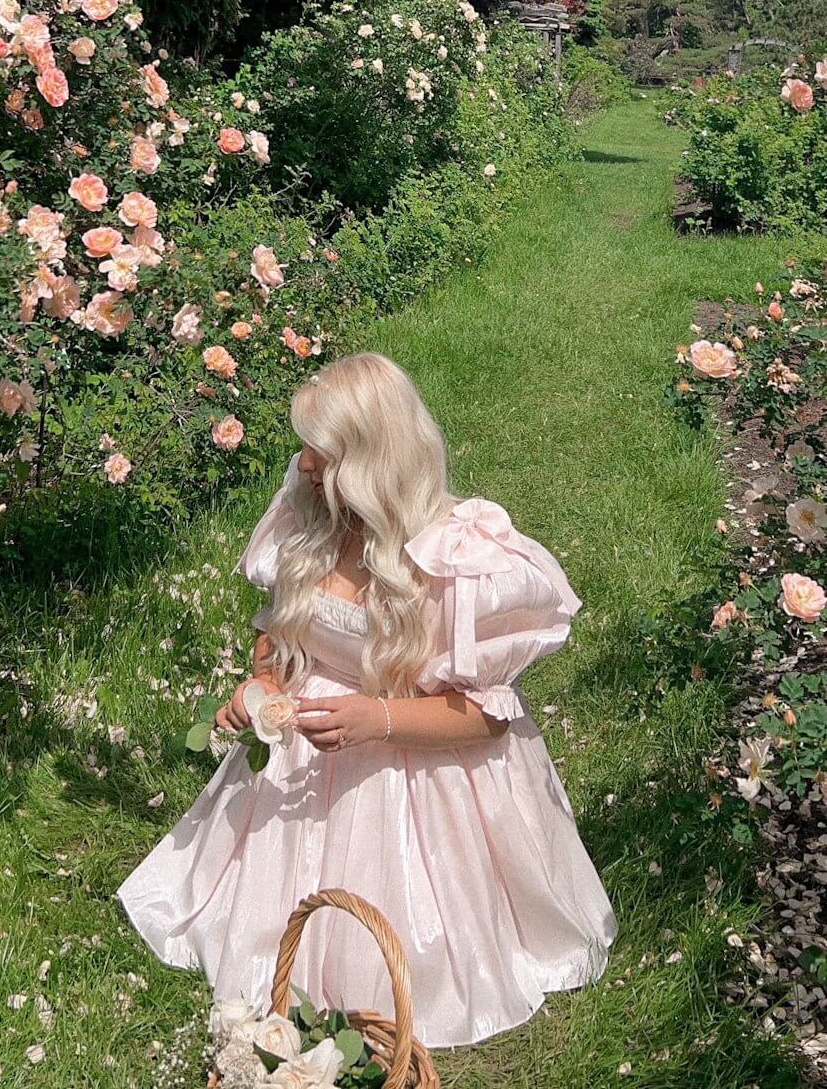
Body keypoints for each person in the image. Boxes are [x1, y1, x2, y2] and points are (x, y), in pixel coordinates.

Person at [116, 351, 616, 1048]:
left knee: (399, 919)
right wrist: (263, 682)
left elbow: (486, 719)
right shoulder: (311, 521)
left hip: (419, 757)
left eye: (319, 452)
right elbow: (280, 630)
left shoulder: (454, 565)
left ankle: (397, 963)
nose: (305, 463)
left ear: (367, 462)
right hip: (311, 746)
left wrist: (377, 717)